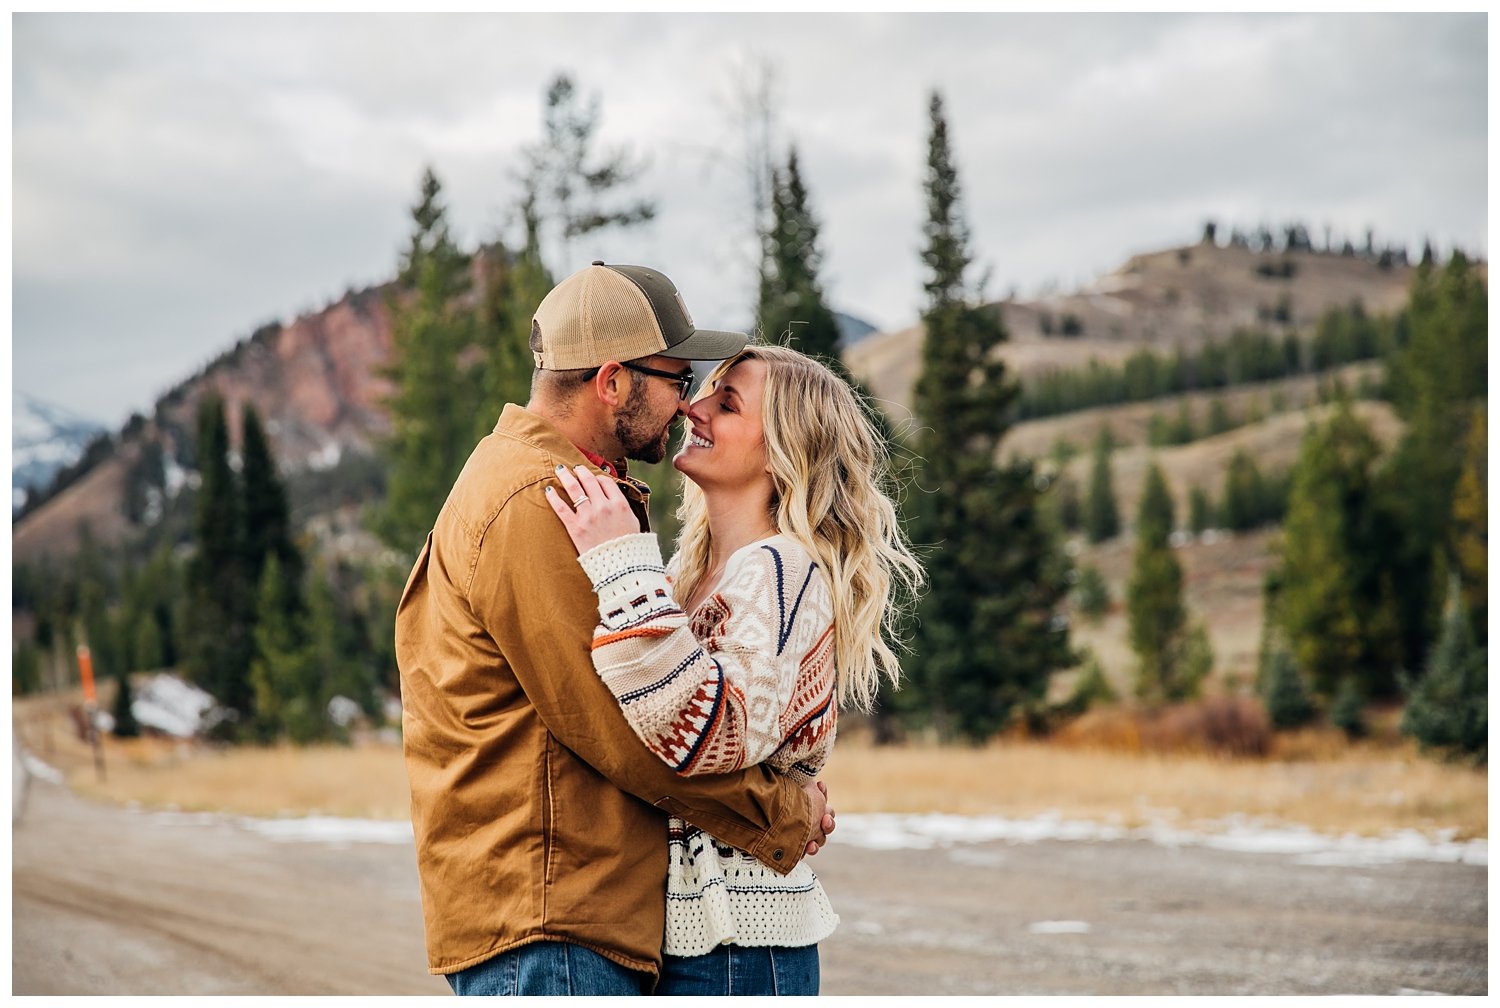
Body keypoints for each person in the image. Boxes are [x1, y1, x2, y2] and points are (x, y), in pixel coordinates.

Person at [395, 262, 836, 997]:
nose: (687, 404)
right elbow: (620, 732)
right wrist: (785, 813)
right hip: (551, 912)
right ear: (612, 382)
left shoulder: (545, 487)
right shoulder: (542, 500)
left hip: (561, 909)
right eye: (678, 379)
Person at [546, 342, 925, 996]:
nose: (691, 408)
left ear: (783, 449)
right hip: (682, 927)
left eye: (727, 405)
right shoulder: (686, 576)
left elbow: (713, 734)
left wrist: (618, 566)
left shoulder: (780, 568)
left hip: (737, 941)